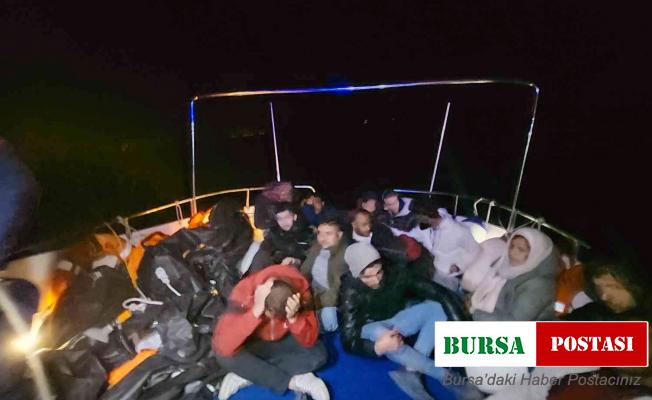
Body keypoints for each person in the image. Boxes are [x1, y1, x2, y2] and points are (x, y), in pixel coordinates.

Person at [339, 242, 477, 400]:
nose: (376, 280)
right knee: (385, 335)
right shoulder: (350, 290)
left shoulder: (395, 271)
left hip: (396, 317)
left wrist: (463, 331)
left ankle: (411, 371)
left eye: (378, 272)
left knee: (437, 307)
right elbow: (348, 340)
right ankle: (448, 378)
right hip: (369, 326)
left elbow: (438, 293)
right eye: (367, 277)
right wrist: (376, 347)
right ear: (356, 275)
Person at [212, 264, 329, 400]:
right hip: (252, 343)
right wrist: (256, 311)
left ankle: (252, 373)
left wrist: (294, 319)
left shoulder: (300, 289)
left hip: (282, 340)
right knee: (224, 355)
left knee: (319, 354)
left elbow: (309, 340)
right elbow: (221, 345)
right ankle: (291, 379)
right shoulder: (244, 291)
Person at [468, 227, 557, 321]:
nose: (512, 252)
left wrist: (476, 313)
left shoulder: (540, 286)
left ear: (535, 254)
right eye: (512, 246)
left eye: (521, 249)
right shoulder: (504, 267)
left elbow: (515, 322)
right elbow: (483, 290)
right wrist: (470, 300)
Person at [392, 208, 481, 291]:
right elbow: (412, 232)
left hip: (450, 277)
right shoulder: (428, 229)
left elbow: (475, 250)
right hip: (433, 272)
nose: (422, 224)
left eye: (423, 221)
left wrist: (459, 266)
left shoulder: (459, 231)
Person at [300, 217, 349, 332]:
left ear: (339, 235)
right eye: (319, 233)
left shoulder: (345, 253)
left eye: (328, 234)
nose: (322, 238)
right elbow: (305, 269)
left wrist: (328, 305)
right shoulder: (317, 247)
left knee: (328, 326)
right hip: (312, 291)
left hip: (332, 298)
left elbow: (337, 285)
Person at [248, 202, 314, 274]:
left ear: (295, 217)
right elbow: (265, 249)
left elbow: (307, 257)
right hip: (275, 266)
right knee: (260, 255)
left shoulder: (306, 233)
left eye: (287, 217)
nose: (284, 222)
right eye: (280, 218)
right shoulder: (274, 231)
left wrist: (295, 261)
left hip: (296, 270)